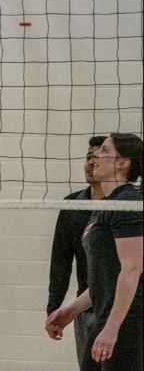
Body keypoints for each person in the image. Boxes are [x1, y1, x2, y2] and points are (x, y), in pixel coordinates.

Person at [47, 133, 143, 370]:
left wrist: (112, 328)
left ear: (122, 162)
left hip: (128, 320)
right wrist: (71, 309)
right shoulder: (105, 205)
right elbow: (106, 276)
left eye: (104, 151)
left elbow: (132, 270)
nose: (94, 157)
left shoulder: (128, 203)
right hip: (104, 313)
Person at [47, 136, 107, 364]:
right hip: (86, 305)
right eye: (88, 157)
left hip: (121, 302)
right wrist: (53, 309)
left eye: (98, 157)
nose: (91, 163)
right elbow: (61, 261)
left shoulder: (129, 202)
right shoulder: (72, 205)